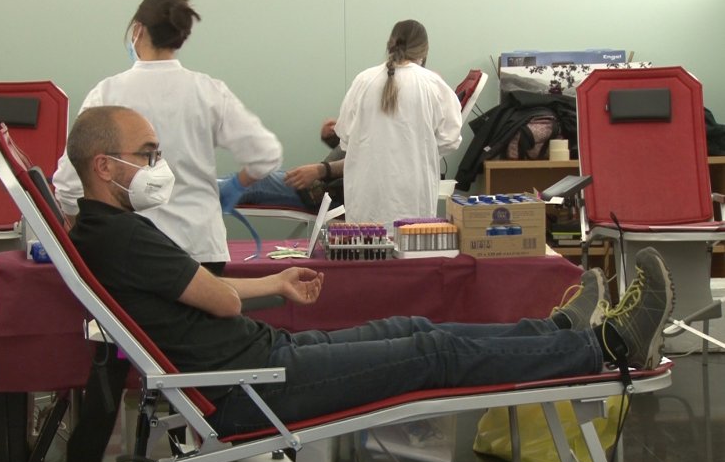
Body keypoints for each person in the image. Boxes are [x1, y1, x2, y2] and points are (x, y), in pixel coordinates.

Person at [66, 105, 674, 440]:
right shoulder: (121, 236)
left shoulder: (102, 231)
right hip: (251, 389)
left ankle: (558, 334)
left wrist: (276, 283)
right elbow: (220, 301)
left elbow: (204, 293)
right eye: (148, 155)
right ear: (104, 165)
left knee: (412, 325)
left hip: (260, 360)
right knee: (431, 352)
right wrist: (261, 291)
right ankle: (607, 346)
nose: (159, 166)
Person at [52, 0, 282, 273]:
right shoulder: (208, 92)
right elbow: (266, 155)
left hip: (129, 249)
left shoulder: (107, 94)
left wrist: (78, 225)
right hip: (201, 246)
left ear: (137, 30)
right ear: (179, 37)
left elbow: (69, 182)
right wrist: (235, 185)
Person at [334, 20, 462, 229]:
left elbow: (345, 138)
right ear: (424, 50)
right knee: (412, 246)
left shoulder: (363, 81)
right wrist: (418, 148)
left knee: (365, 246)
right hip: (413, 198)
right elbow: (450, 140)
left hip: (367, 199)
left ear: (389, 44)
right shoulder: (433, 84)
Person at [236, 118, 346, 211]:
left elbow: (355, 163)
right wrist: (331, 136)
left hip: (331, 195)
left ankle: (224, 194)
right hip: (323, 185)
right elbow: (347, 152)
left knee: (256, 182)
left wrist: (321, 170)